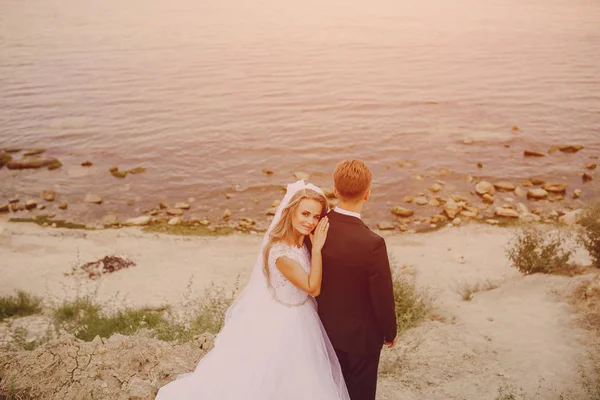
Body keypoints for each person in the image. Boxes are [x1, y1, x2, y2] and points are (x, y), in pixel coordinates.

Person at [155, 181, 350, 400]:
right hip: (285, 321)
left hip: (304, 314)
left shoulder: (302, 243)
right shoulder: (280, 253)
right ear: (290, 212)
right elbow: (313, 288)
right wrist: (317, 249)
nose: (310, 222)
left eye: (316, 217)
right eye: (305, 214)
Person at [315, 159, 397, 400]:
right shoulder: (373, 243)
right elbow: (382, 296)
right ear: (368, 194)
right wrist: (389, 331)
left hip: (324, 330)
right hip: (362, 339)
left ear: (335, 190)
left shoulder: (317, 227)